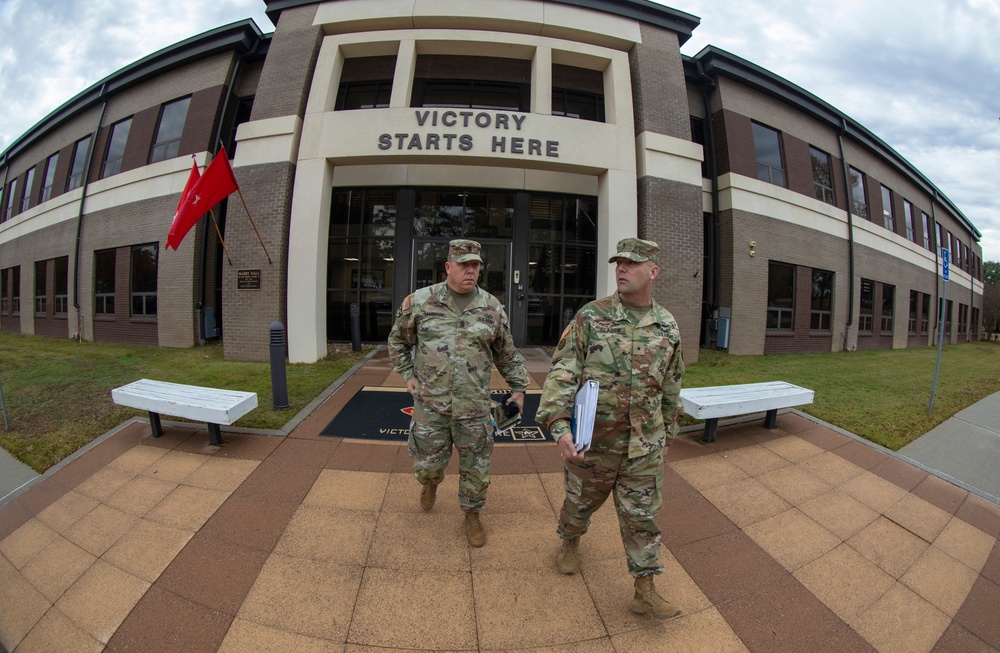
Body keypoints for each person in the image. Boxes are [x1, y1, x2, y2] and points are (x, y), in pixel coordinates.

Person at [536, 237, 684, 619]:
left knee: (642, 517)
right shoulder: (591, 316)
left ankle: (645, 588)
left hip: (643, 446)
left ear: (652, 271)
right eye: (619, 262)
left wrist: (667, 433)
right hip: (594, 444)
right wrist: (558, 423)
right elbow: (564, 370)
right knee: (579, 505)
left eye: (632, 264)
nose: (622, 269)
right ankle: (570, 540)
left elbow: (672, 384)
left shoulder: (667, 326)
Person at [388, 239, 528, 547]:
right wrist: (407, 373)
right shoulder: (421, 301)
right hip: (431, 406)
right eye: (464, 264)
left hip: (474, 409)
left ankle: (472, 515)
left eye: (476, 265)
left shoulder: (491, 307)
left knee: (476, 468)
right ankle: (430, 483)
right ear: (448, 267)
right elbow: (398, 341)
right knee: (426, 466)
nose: (471, 270)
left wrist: (519, 388)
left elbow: (506, 353)